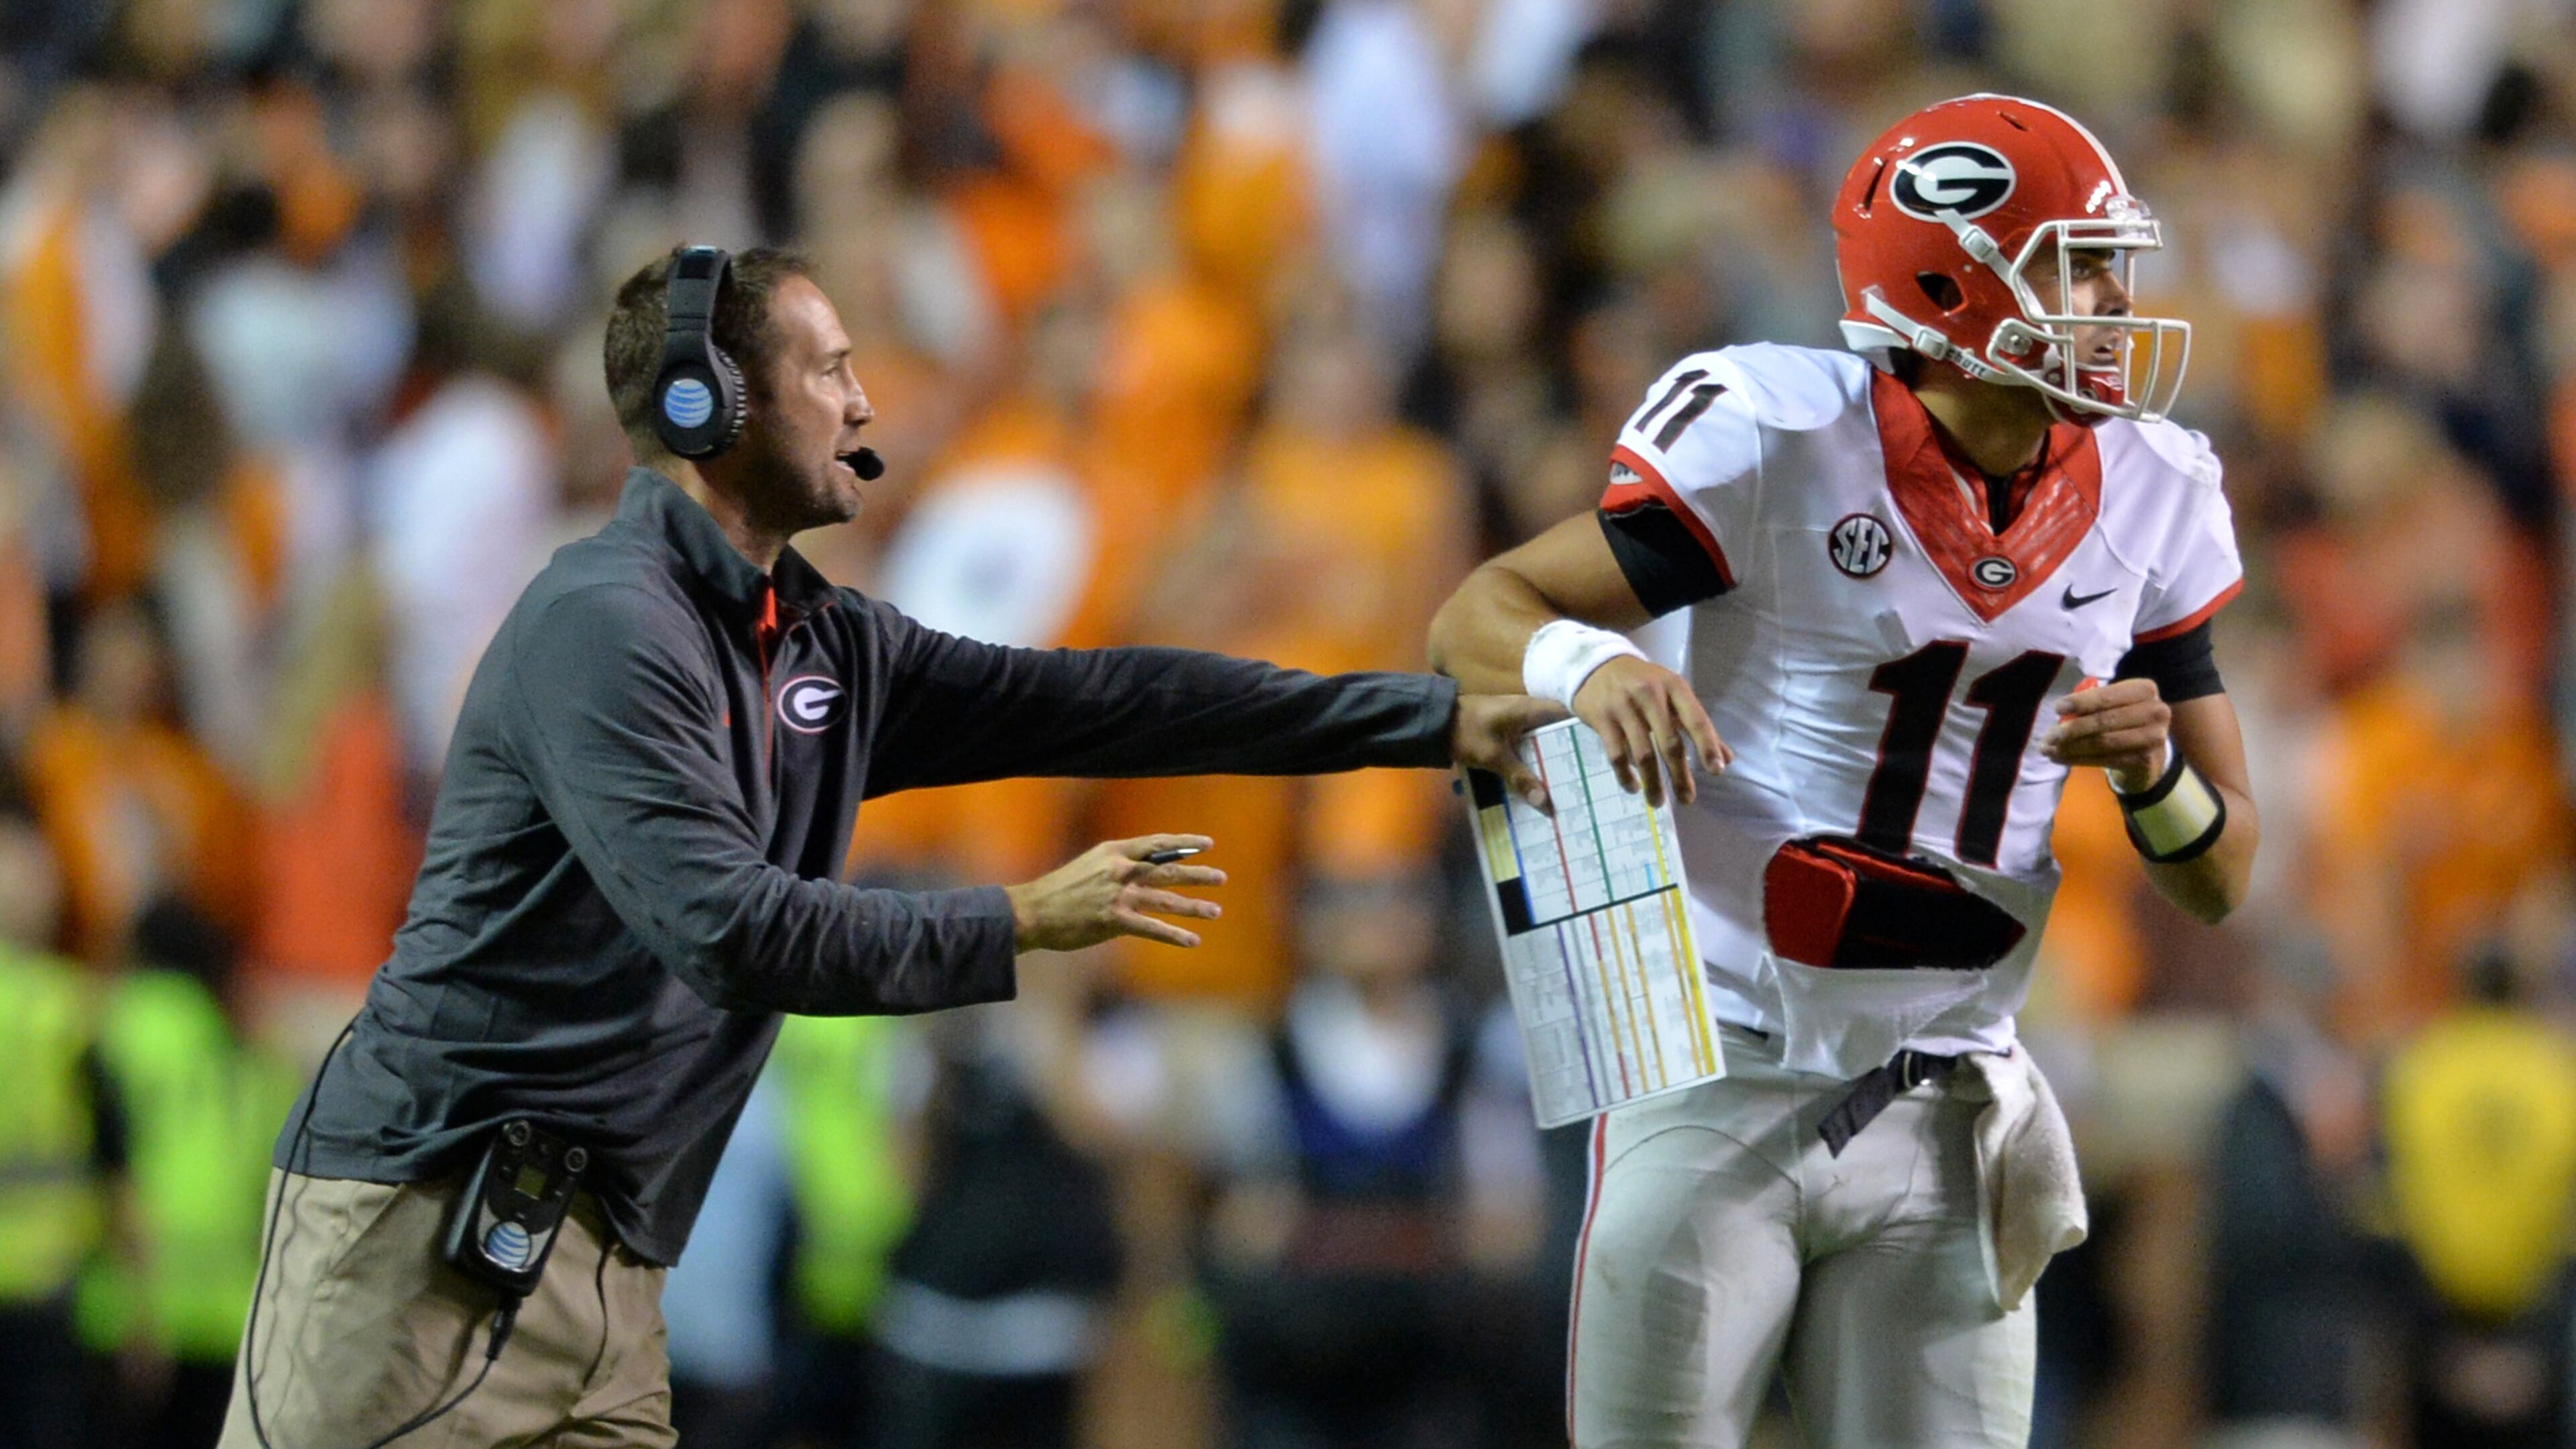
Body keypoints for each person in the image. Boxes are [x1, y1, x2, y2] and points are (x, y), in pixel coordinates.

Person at [218, 244, 1560, 1448]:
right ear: (709, 407)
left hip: (608, 1268)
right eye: (828, 370)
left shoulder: (819, 643)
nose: (864, 406)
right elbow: (732, 928)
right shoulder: (602, 626)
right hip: (421, 1238)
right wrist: (1019, 921)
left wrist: (1429, 720)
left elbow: (1104, 700)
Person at [1426, 95, 2261, 1447]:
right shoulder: (1778, 432)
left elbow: (2223, 878)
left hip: (1950, 1095)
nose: (2116, 298)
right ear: (1952, 284)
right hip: (1718, 1067)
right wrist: (1596, 667)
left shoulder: (2157, 485)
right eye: (2080, 262)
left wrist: (2157, 774)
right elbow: (1480, 615)